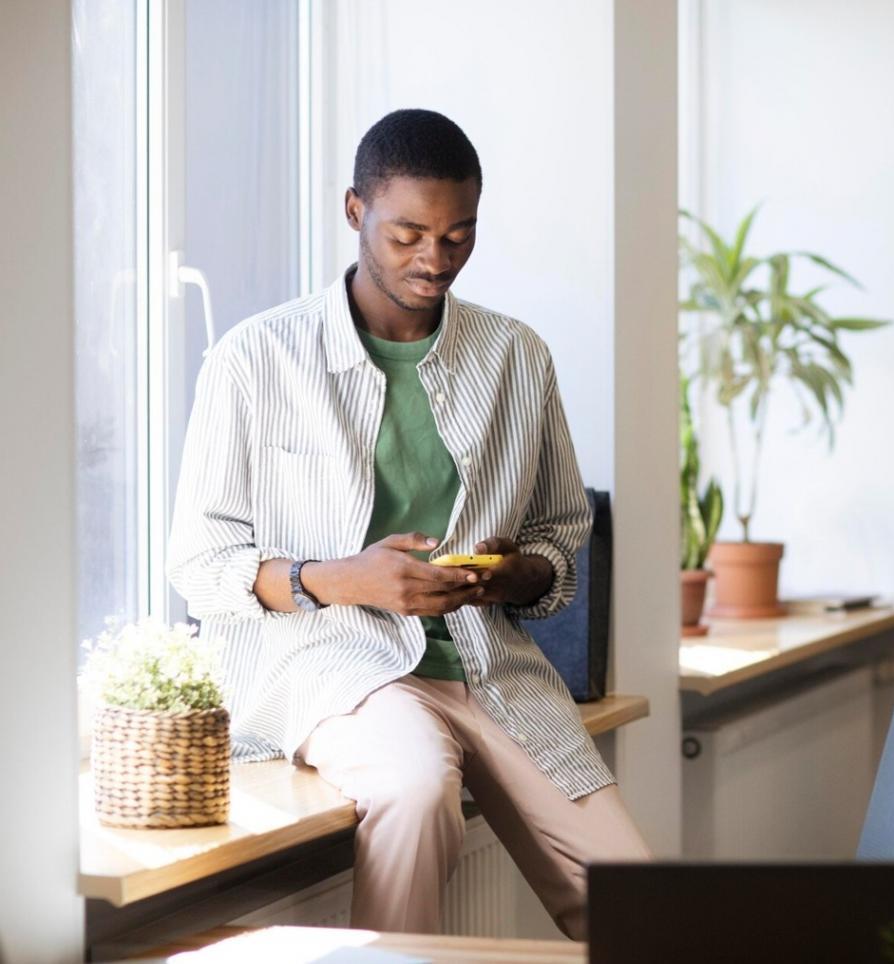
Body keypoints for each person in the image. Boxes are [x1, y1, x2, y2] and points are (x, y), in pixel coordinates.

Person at [167, 109, 650, 938]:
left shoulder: (516, 358)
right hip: (338, 670)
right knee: (417, 786)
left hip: (495, 670)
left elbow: (560, 534)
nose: (434, 260)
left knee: (643, 905)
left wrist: (514, 573)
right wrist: (338, 579)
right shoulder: (255, 359)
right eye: (408, 235)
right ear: (355, 212)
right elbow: (199, 564)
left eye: (458, 237)